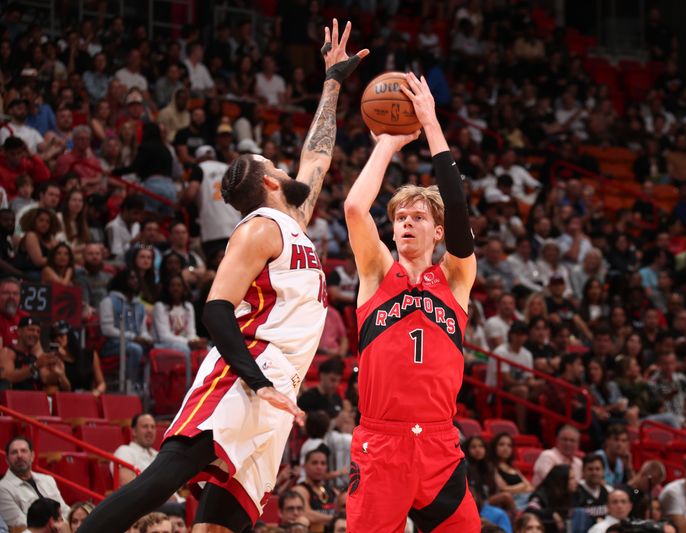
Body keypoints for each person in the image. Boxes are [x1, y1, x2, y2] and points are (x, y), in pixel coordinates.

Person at [77, 19, 366, 533]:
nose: (286, 164)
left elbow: (318, 154)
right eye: (275, 161)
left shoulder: (292, 223)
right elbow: (214, 310)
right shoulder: (257, 228)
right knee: (163, 477)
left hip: (281, 386)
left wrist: (333, 82)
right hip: (248, 371)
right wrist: (257, 383)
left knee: (222, 523)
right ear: (273, 179)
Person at [342, 71, 480, 532]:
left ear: (437, 231)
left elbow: (458, 210)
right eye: (400, 216)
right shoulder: (378, 271)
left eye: (418, 216)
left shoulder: (456, 277)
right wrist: (387, 143)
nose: (406, 222)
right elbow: (356, 210)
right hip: (382, 442)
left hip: (440, 445)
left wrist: (431, 125)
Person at [0, 437, 68, 529]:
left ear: (32, 456)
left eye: (24, 451)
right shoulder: (3, 488)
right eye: (14, 452)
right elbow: (20, 524)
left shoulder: (48, 480)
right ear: (7, 459)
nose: (19, 455)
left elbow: (65, 511)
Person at [50, 320, 105, 395]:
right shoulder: (55, 359)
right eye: (55, 337)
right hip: (66, 398)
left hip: (87, 396)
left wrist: (96, 392)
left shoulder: (89, 355)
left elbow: (101, 383)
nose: (58, 339)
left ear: (69, 335)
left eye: (61, 335)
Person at [292, 449, 339, 532]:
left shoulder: (332, 490)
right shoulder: (300, 489)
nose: (319, 467)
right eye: (314, 463)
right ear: (304, 466)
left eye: (323, 463)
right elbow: (306, 513)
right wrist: (335, 519)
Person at [111, 413, 157, 486]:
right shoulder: (124, 451)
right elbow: (129, 485)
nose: (150, 430)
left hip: (177, 497)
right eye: (145, 426)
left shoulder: (159, 454)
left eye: (153, 427)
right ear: (134, 431)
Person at [0, 278, 26, 349]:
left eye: (15, 293)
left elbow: (37, 349)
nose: (11, 297)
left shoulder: (25, 317)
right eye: (6, 293)